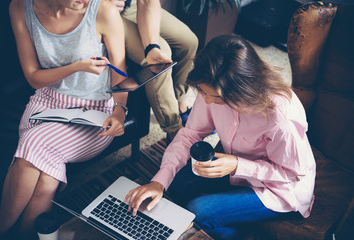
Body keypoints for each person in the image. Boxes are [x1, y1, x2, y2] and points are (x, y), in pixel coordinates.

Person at [124, 35, 316, 239]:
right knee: (176, 183)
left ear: (240, 91)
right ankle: (229, 217)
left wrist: (237, 165)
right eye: (203, 93)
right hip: (235, 167)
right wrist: (159, 182)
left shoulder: (280, 118)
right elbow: (190, 134)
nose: (205, 101)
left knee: (198, 211)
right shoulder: (210, 86)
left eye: (214, 97)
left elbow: (293, 174)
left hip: (280, 187)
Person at [0, 0, 128, 239]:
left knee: (34, 144)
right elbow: (34, 78)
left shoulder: (103, 11)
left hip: (94, 112)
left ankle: (0, 230)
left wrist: (119, 111)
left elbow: (120, 74)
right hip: (45, 103)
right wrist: (76, 67)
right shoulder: (20, 8)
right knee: (47, 178)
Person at [111, 0, 198, 142]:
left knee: (189, 42)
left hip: (131, 4)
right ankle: (174, 132)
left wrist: (151, 47)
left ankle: (180, 105)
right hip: (102, 11)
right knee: (161, 57)